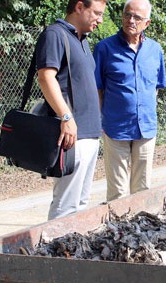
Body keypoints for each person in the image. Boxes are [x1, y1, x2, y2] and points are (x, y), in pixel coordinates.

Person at [35, 0, 106, 219]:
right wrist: (66, 117)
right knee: (66, 205)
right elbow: (46, 77)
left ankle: (70, 251)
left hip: (90, 134)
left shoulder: (82, 40)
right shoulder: (55, 34)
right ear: (78, 7)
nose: (100, 20)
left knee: (80, 204)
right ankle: (52, 250)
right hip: (72, 135)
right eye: (96, 13)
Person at [94, 0, 166, 202]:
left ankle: (140, 229)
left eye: (137, 17)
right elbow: (98, 89)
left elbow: (155, 88)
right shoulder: (104, 48)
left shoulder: (155, 50)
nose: (131, 20)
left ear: (147, 23)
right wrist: (102, 120)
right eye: (127, 14)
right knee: (117, 192)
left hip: (146, 128)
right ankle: (116, 232)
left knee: (142, 188)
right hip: (115, 128)